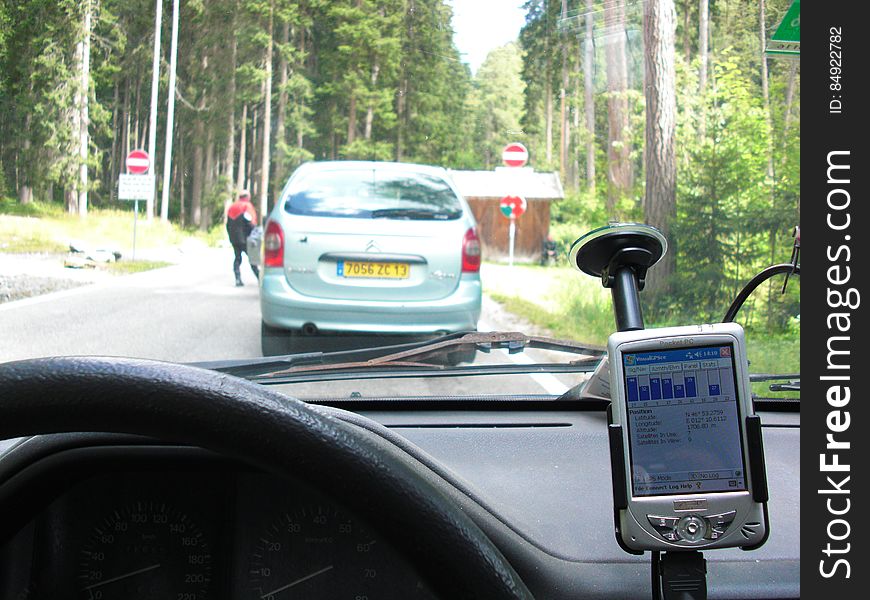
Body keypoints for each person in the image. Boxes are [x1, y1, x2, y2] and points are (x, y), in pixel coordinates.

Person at [226, 190, 260, 286]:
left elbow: (228, 224)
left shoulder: (232, 207)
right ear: (247, 197)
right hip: (245, 239)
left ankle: (237, 279)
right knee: (252, 259)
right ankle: (259, 278)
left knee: (237, 258)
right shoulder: (247, 206)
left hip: (234, 238)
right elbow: (251, 223)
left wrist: (230, 236)